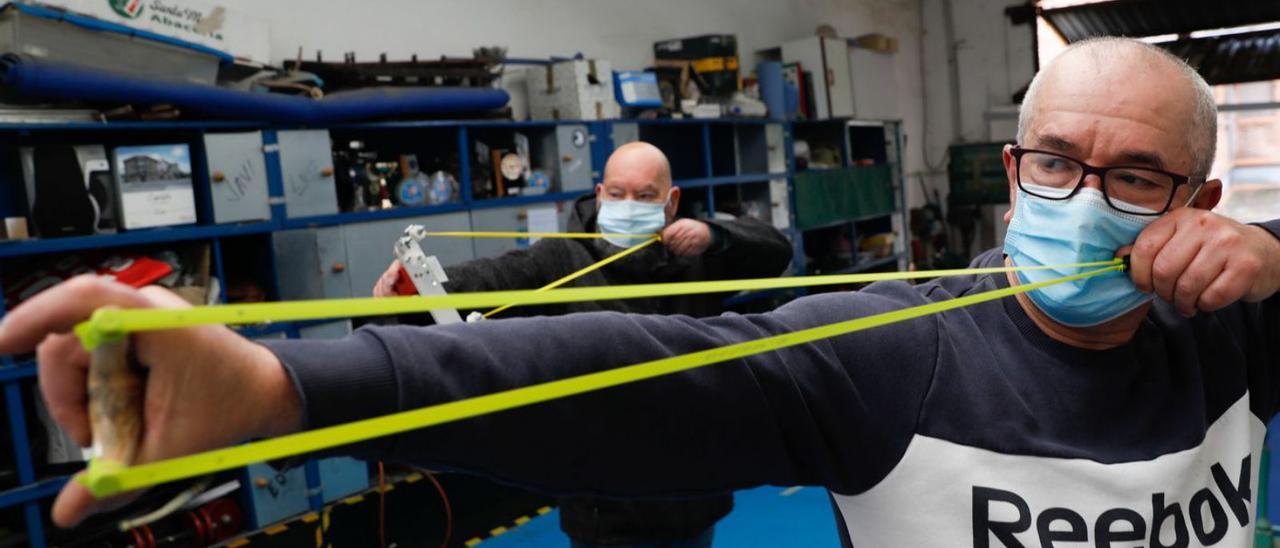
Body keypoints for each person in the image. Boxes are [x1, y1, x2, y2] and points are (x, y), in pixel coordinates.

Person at [8, 38, 1280, 547]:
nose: (1076, 193)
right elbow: (639, 361)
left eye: (1129, 174)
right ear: (1013, 168)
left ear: (1196, 206)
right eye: (1054, 160)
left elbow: (747, 260)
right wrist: (286, 383)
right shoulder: (898, 350)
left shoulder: (1234, 326)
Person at [370, 141, 795, 547]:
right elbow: (495, 278)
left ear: (673, 201)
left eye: (645, 195)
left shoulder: (698, 254)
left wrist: (715, 234)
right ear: (599, 193)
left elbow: (775, 251)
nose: (629, 204)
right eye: (617, 193)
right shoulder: (562, 259)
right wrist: (413, 292)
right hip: (604, 508)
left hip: (692, 495)